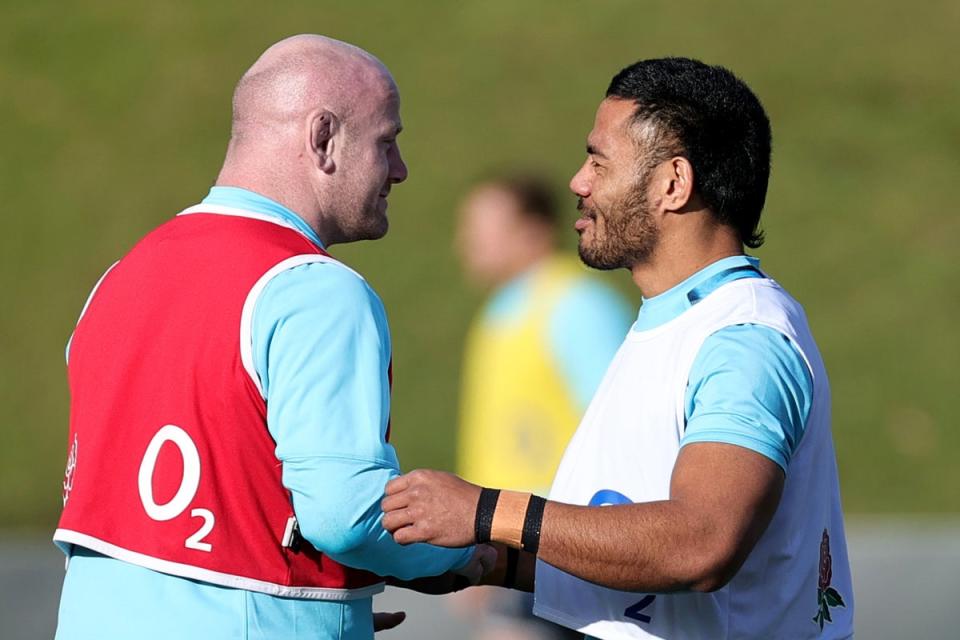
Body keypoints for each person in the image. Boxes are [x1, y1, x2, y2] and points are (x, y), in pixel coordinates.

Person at [382, 57, 854, 639]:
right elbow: (633, 548)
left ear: (672, 183)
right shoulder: (670, 323)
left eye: (599, 161)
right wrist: (481, 558)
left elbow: (700, 543)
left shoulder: (745, 341)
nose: (578, 182)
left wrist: (487, 511)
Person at [54, 34, 492, 640]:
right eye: (386, 141)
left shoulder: (118, 278)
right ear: (322, 138)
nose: (400, 168)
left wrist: (325, 602)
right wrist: (466, 557)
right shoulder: (315, 288)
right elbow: (346, 515)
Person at [452, 175, 632, 639]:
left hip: (556, 538)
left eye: (484, 228)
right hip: (511, 537)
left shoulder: (576, 305)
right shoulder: (503, 311)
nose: (466, 242)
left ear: (533, 231)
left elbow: (621, 426)